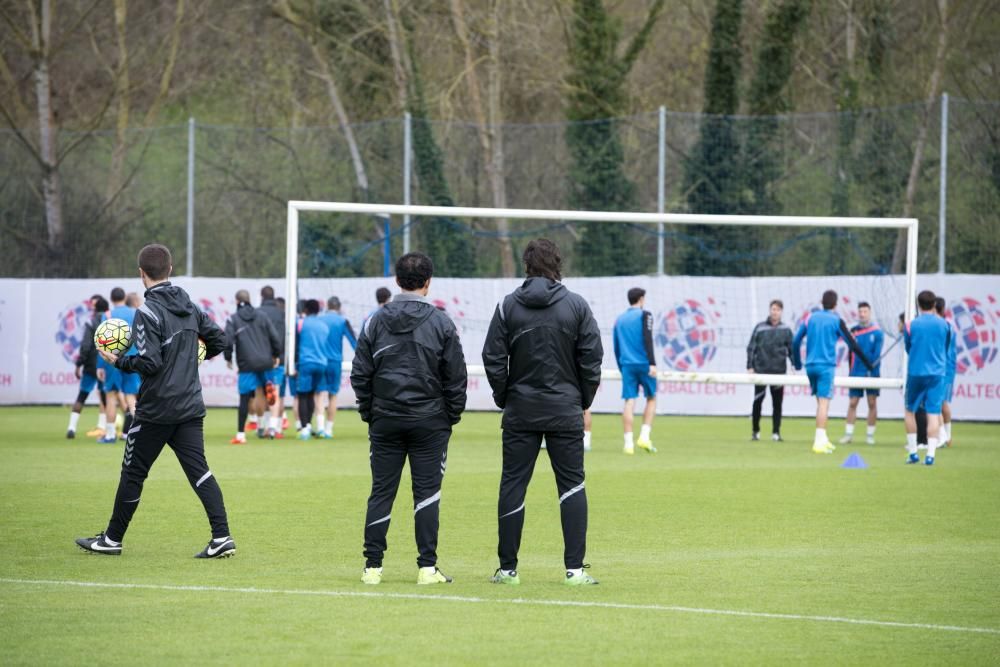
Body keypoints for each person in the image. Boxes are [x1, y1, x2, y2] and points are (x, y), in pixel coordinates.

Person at [76, 243, 235, 558]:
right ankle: (222, 537)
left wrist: (117, 361)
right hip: (189, 404)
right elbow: (219, 339)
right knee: (199, 471)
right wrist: (196, 357)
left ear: (141, 274)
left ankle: (111, 540)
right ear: (170, 269)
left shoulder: (146, 312)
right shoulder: (188, 304)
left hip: (156, 409)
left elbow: (150, 364)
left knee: (133, 473)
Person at [483, 239, 603, 586]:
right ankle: (575, 570)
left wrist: (506, 396)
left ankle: (507, 570)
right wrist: (581, 399)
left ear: (527, 266)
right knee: (572, 486)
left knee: (513, 485)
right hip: (564, 409)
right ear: (557, 264)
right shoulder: (577, 305)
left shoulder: (508, 306)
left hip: (521, 409)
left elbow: (492, 358)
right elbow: (592, 358)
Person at [351, 252, 467, 586]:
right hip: (429, 421)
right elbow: (455, 376)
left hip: (386, 419)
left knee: (381, 492)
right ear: (428, 283)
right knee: (427, 493)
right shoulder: (441, 322)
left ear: (397, 281)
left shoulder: (375, 319)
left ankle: (372, 568)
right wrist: (450, 416)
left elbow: (361, 372)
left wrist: (370, 412)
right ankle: (426, 568)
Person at [792, 290, 872, 454]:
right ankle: (818, 442)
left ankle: (823, 438)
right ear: (835, 304)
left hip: (811, 366)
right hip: (826, 367)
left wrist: (797, 363)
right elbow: (852, 344)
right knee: (824, 403)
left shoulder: (810, 318)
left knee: (820, 402)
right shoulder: (836, 320)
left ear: (822, 302)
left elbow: (795, 340)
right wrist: (868, 363)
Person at [224, 290, 281, 444]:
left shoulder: (233, 319)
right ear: (249, 300)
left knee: (245, 398)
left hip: (247, 365)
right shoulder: (262, 316)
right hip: (266, 362)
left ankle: (241, 435)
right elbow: (275, 337)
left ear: (237, 301)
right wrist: (276, 355)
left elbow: (227, 341)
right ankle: (271, 427)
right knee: (268, 392)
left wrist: (228, 358)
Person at [903, 290, 951, 465]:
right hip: (937, 373)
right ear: (934, 304)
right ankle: (930, 455)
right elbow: (945, 347)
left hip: (916, 372)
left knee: (910, 411)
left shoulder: (910, 325)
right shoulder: (945, 325)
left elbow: (908, 348)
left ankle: (913, 452)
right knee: (933, 413)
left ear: (919, 304)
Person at [612, 287, 658, 454]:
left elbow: (616, 346)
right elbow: (648, 339)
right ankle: (644, 436)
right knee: (651, 398)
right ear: (641, 298)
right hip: (644, 364)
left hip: (627, 365)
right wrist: (652, 364)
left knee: (629, 402)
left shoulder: (619, 319)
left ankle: (628, 444)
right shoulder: (645, 315)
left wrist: (621, 366)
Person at [745, 299, 793, 442]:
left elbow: (791, 350)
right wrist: (750, 366)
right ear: (769, 310)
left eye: (778, 309)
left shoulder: (786, 329)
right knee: (758, 401)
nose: (775, 312)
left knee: (777, 403)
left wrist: (794, 365)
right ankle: (755, 432)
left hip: (778, 371)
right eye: (773, 309)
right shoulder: (760, 328)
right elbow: (751, 347)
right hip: (761, 370)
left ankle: (776, 433)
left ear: (781, 312)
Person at [97, 287, 141, 443]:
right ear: (124, 297)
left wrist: (100, 366)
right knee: (131, 397)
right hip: (133, 359)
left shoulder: (107, 315)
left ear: (111, 299)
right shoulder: (135, 313)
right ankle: (138, 433)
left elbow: (101, 342)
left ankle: (109, 435)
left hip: (112, 360)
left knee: (111, 397)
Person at [840, 302, 884, 445]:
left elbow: (876, 355)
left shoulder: (877, 332)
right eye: (860, 312)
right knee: (853, 402)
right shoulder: (853, 332)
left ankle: (870, 435)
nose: (862, 314)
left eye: (865, 311)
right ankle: (848, 434)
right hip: (855, 373)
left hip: (872, 373)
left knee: (872, 402)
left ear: (869, 313)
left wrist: (870, 368)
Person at [66, 295, 109, 439]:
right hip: (105, 364)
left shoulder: (91, 323)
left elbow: (85, 346)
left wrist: (79, 364)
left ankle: (71, 428)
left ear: (95, 309)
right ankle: (108, 430)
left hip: (91, 365)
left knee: (82, 396)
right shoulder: (111, 322)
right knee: (106, 398)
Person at [317, 296, 357, 439]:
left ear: (327, 306)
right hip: (335, 361)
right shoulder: (342, 321)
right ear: (339, 307)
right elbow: (353, 341)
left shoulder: (319, 319)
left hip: (321, 360)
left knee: (320, 394)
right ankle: (328, 429)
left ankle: (320, 427)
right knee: (333, 395)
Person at [295, 299, 329, 439]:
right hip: (321, 363)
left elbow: (295, 343)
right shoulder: (324, 325)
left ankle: (305, 428)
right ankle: (311, 425)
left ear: (306, 309)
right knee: (312, 394)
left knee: (303, 395)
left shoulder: (301, 323)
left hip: (306, 363)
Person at [259, 286, 288, 438]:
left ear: (261, 296)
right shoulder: (282, 314)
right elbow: (284, 336)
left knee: (263, 393)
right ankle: (274, 428)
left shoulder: (258, 313)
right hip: (278, 358)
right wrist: (278, 355)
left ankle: (263, 426)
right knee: (275, 392)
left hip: (261, 359)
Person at [935, 297, 957, 447]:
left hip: (945, 369)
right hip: (942, 368)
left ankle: (943, 436)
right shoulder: (943, 325)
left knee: (939, 403)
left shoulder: (945, 326)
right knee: (941, 403)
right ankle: (946, 437)